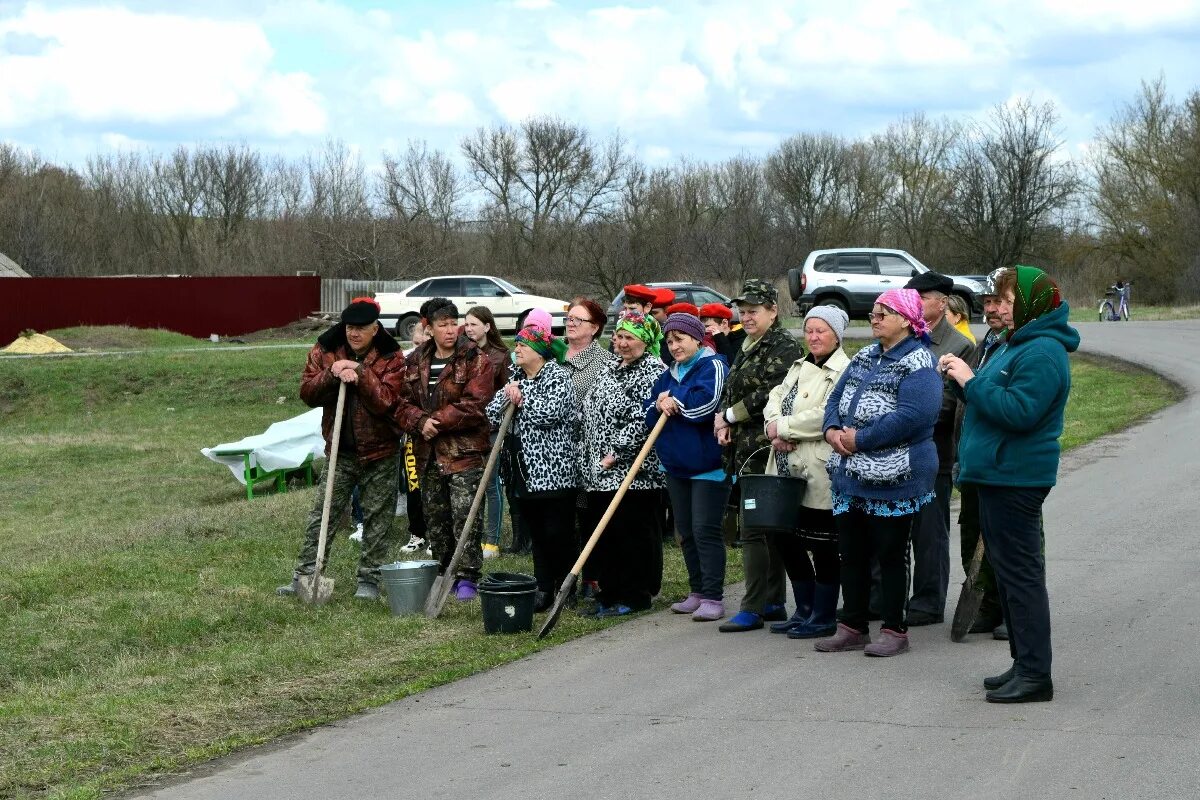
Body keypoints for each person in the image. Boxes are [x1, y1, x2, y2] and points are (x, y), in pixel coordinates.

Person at [940, 265, 1079, 703]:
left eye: (1009, 299)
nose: (1000, 308)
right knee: (1010, 574)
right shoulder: (1013, 345)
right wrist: (966, 386)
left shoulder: (1042, 352)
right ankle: (1023, 664)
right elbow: (990, 399)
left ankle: (1036, 675)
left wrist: (969, 379)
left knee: (1022, 578)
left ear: (1034, 303)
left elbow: (1019, 412)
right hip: (997, 475)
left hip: (1017, 478)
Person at [815, 288, 942, 657]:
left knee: (890, 554)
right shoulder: (866, 355)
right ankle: (853, 625)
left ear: (905, 319)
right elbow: (836, 398)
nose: (874, 318)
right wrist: (832, 431)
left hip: (895, 476)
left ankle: (894, 630)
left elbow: (914, 417)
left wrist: (861, 439)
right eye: (873, 313)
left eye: (882, 313)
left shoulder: (919, 362)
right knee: (851, 553)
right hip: (850, 474)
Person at [278, 297, 409, 602]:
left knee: (378, 518)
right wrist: (332, 372)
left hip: (380, 451)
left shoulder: (392, 356)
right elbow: (307, 392)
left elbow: (387, 402)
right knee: (322, 513)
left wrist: (360, 373)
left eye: (361, 329)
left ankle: (370, 580)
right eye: (350, 327)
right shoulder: (325, 349)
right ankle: (305, 575)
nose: (353, 334)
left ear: (375, 329)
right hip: (340, 451)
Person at [713, 279, 802, 632]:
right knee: (762, 529)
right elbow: (732, 386)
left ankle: (755, 606)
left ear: (772, 311)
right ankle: (772, 601)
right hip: (743, 451)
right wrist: (723, 420)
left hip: (767, 450)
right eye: (743, 311)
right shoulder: (748, 344)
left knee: (757, 529)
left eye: (753, 311)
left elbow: (772, 393)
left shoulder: (783, 347)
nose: (746, 317)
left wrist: (731, 415)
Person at [395, 298, 495, 601]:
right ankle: (445, 569)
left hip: (462, 451)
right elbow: (400, 404)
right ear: (429, 327)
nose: (451, 330)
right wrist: (418, 421)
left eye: (454, 324)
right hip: (427, 454)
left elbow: (475, 404)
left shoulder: (476, 359)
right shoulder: (414, 361)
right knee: (435, 516)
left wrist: (433, 421)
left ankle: (468, 575)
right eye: (443, 325)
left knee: (465, 515)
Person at [762, 305, 851, 639]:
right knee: (785, 537)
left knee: (823, 542)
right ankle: (804, 608)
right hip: (784, 465)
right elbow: (775, 397)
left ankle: (824, 614)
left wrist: (782, 428)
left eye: (821, 331)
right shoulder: (798, 366)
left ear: (836, 335)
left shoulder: (844, 369)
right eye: (809, 330)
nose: (813, 337)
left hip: (817, 466)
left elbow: (827, 414)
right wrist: (774, 427)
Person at [578, 309, 666, 616]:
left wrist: (616, 453)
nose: (621, 343)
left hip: (635, 471)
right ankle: (610, 590)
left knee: (634, 533)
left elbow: (644, 419)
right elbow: (591, 406)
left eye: (629, 337)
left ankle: (636, 593)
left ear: (644, 340)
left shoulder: (653, 371)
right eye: (618, 336)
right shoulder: (610, 368)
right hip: (601, 470)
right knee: (608, 534)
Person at [645, 311, 730, 622]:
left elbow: (706, 405)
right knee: (685, 532)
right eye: (669, 341)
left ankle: (713, 596)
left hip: (708, 465)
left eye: (679, 339)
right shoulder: (668, 374)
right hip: (676, 466)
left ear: (696, 338)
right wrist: (659, 404)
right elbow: (650, 413)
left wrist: (674, 400)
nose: (674, 346)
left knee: (705, 530)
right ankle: (696, 591)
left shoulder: (714, 365)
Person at [486, 326, 579, 611]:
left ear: (538, 351)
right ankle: (543, 587)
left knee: (557, 532)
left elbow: (548, 414)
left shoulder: (558, 377)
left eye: (523, 346)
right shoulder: (515, 377)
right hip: (522, 471)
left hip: (554, 471)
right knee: (537, 533)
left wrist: (520, 393)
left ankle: (567, 587)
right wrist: (510, 393)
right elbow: (491, 412)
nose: (517, 350)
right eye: (516, 345)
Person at [902, 272, 974, 627]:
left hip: (934, 454)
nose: (914, 301)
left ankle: (928, 602)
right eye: (910, 296)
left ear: (942, 302)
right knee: (892, 530)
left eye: (921, 296)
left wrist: (899, 417)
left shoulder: (959, 346)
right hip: (893, 454)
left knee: (929, 532)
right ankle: (886, 596)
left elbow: (948, 405)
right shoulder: (905, 337)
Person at [952, 268, 1011, 638]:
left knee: (1008, 541)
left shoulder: (1018, 344)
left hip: (1004, 461)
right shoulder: (987, 341)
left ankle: (1010, 610)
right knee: (972, 534)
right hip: (972, 456)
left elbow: (1012, 406)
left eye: (998, 301)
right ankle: (987, 606)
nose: (990, 308)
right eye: (986, 301)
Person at [463, 306, 511, 560]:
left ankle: (491, 540)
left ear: (487, 327)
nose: (469, 329)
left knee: (491, 484)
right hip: (465, 428)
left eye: (474, 324)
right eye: (466, 324)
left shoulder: (501, 356)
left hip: (491, 429)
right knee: (469, 484)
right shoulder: (462, 354)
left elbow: (508, 392)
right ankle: (471, 533)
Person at [399, 322, 431, 555]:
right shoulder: (406, 363)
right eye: (416, 343)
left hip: (438, 433)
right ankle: (417, 533)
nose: (418, 348)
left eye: (424, 343)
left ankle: (438, 534)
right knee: (414, 485)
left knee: (437, 486)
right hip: (412, 434)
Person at [559, 298, 612, 408]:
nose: (570, 324)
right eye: (569, 318)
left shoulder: (607, 363)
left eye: (578, 320)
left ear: (594, 328)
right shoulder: (550, 351)